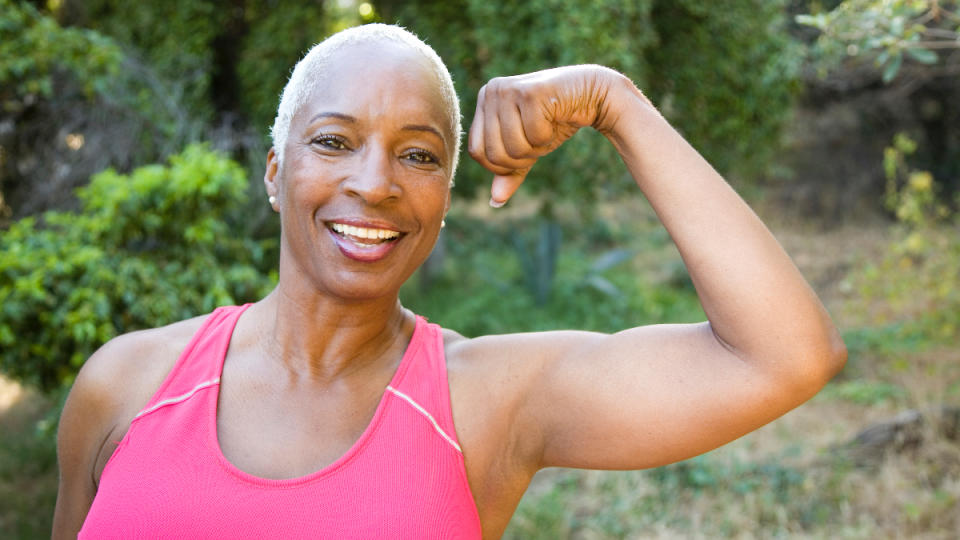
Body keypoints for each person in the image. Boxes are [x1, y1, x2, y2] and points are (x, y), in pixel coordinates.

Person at [52, 23, 846, 539]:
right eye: (333, 141)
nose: (375, 182)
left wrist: (616, 102)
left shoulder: (482, 402)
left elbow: (784, 357)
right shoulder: (126, 383)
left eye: (419, 154)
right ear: (274, 171)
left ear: (444, 198)